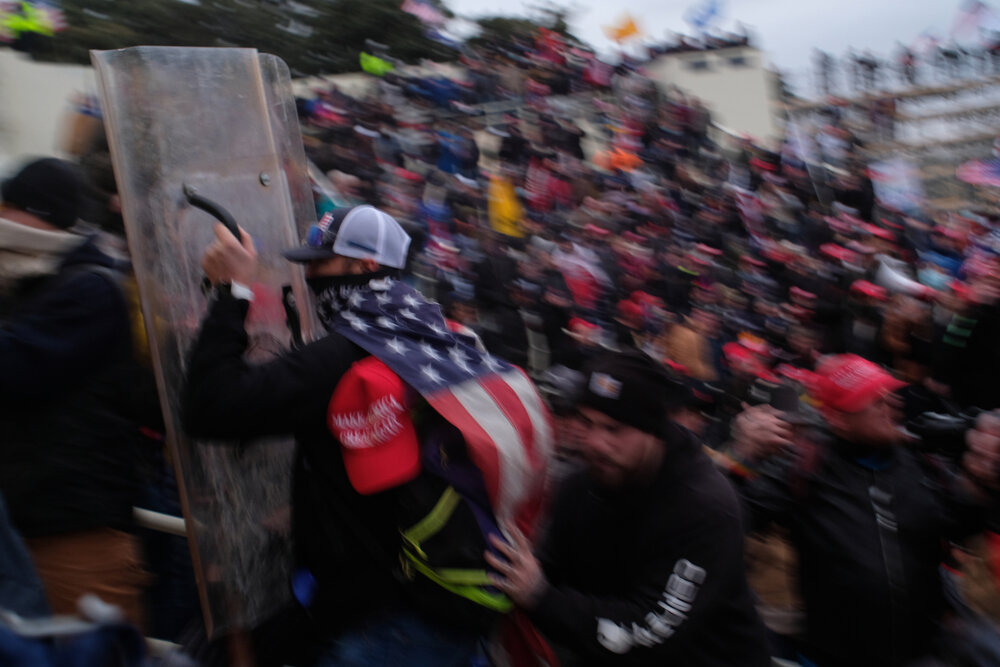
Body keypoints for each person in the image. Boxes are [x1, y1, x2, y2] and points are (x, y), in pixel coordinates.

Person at [182, 204, 548, 665]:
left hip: (386, 626)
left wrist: (231, 290)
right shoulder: (436, 333)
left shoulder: (347, 354)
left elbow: (211, 406)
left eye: (321, 262)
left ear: (366, 266)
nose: (310, 275)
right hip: (432, 611)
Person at [484, 349, 771, 666]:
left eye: (613, 429)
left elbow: (651, 631)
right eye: (587, 423)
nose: (595, 443)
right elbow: (548, 567)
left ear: (653, 431)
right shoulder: (581, 486)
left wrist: (541, 597)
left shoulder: (705, 508)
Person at [732, 354, 1000, 667]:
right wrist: (742, 458)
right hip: (838, 656)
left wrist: (982, 481)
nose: (890, 404)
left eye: (887, 392)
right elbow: (729, 521)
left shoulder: (918, 462)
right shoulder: (805, 468)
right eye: (873, 400)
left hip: (922, 652)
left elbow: (958, 526)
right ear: (839, 419)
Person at [0, 157, 150, 626]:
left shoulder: (91, 290)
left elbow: (14, 365)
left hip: (74, 538)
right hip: (25, 527)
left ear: (37, 215)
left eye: (7, 206)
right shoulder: (26, 280)